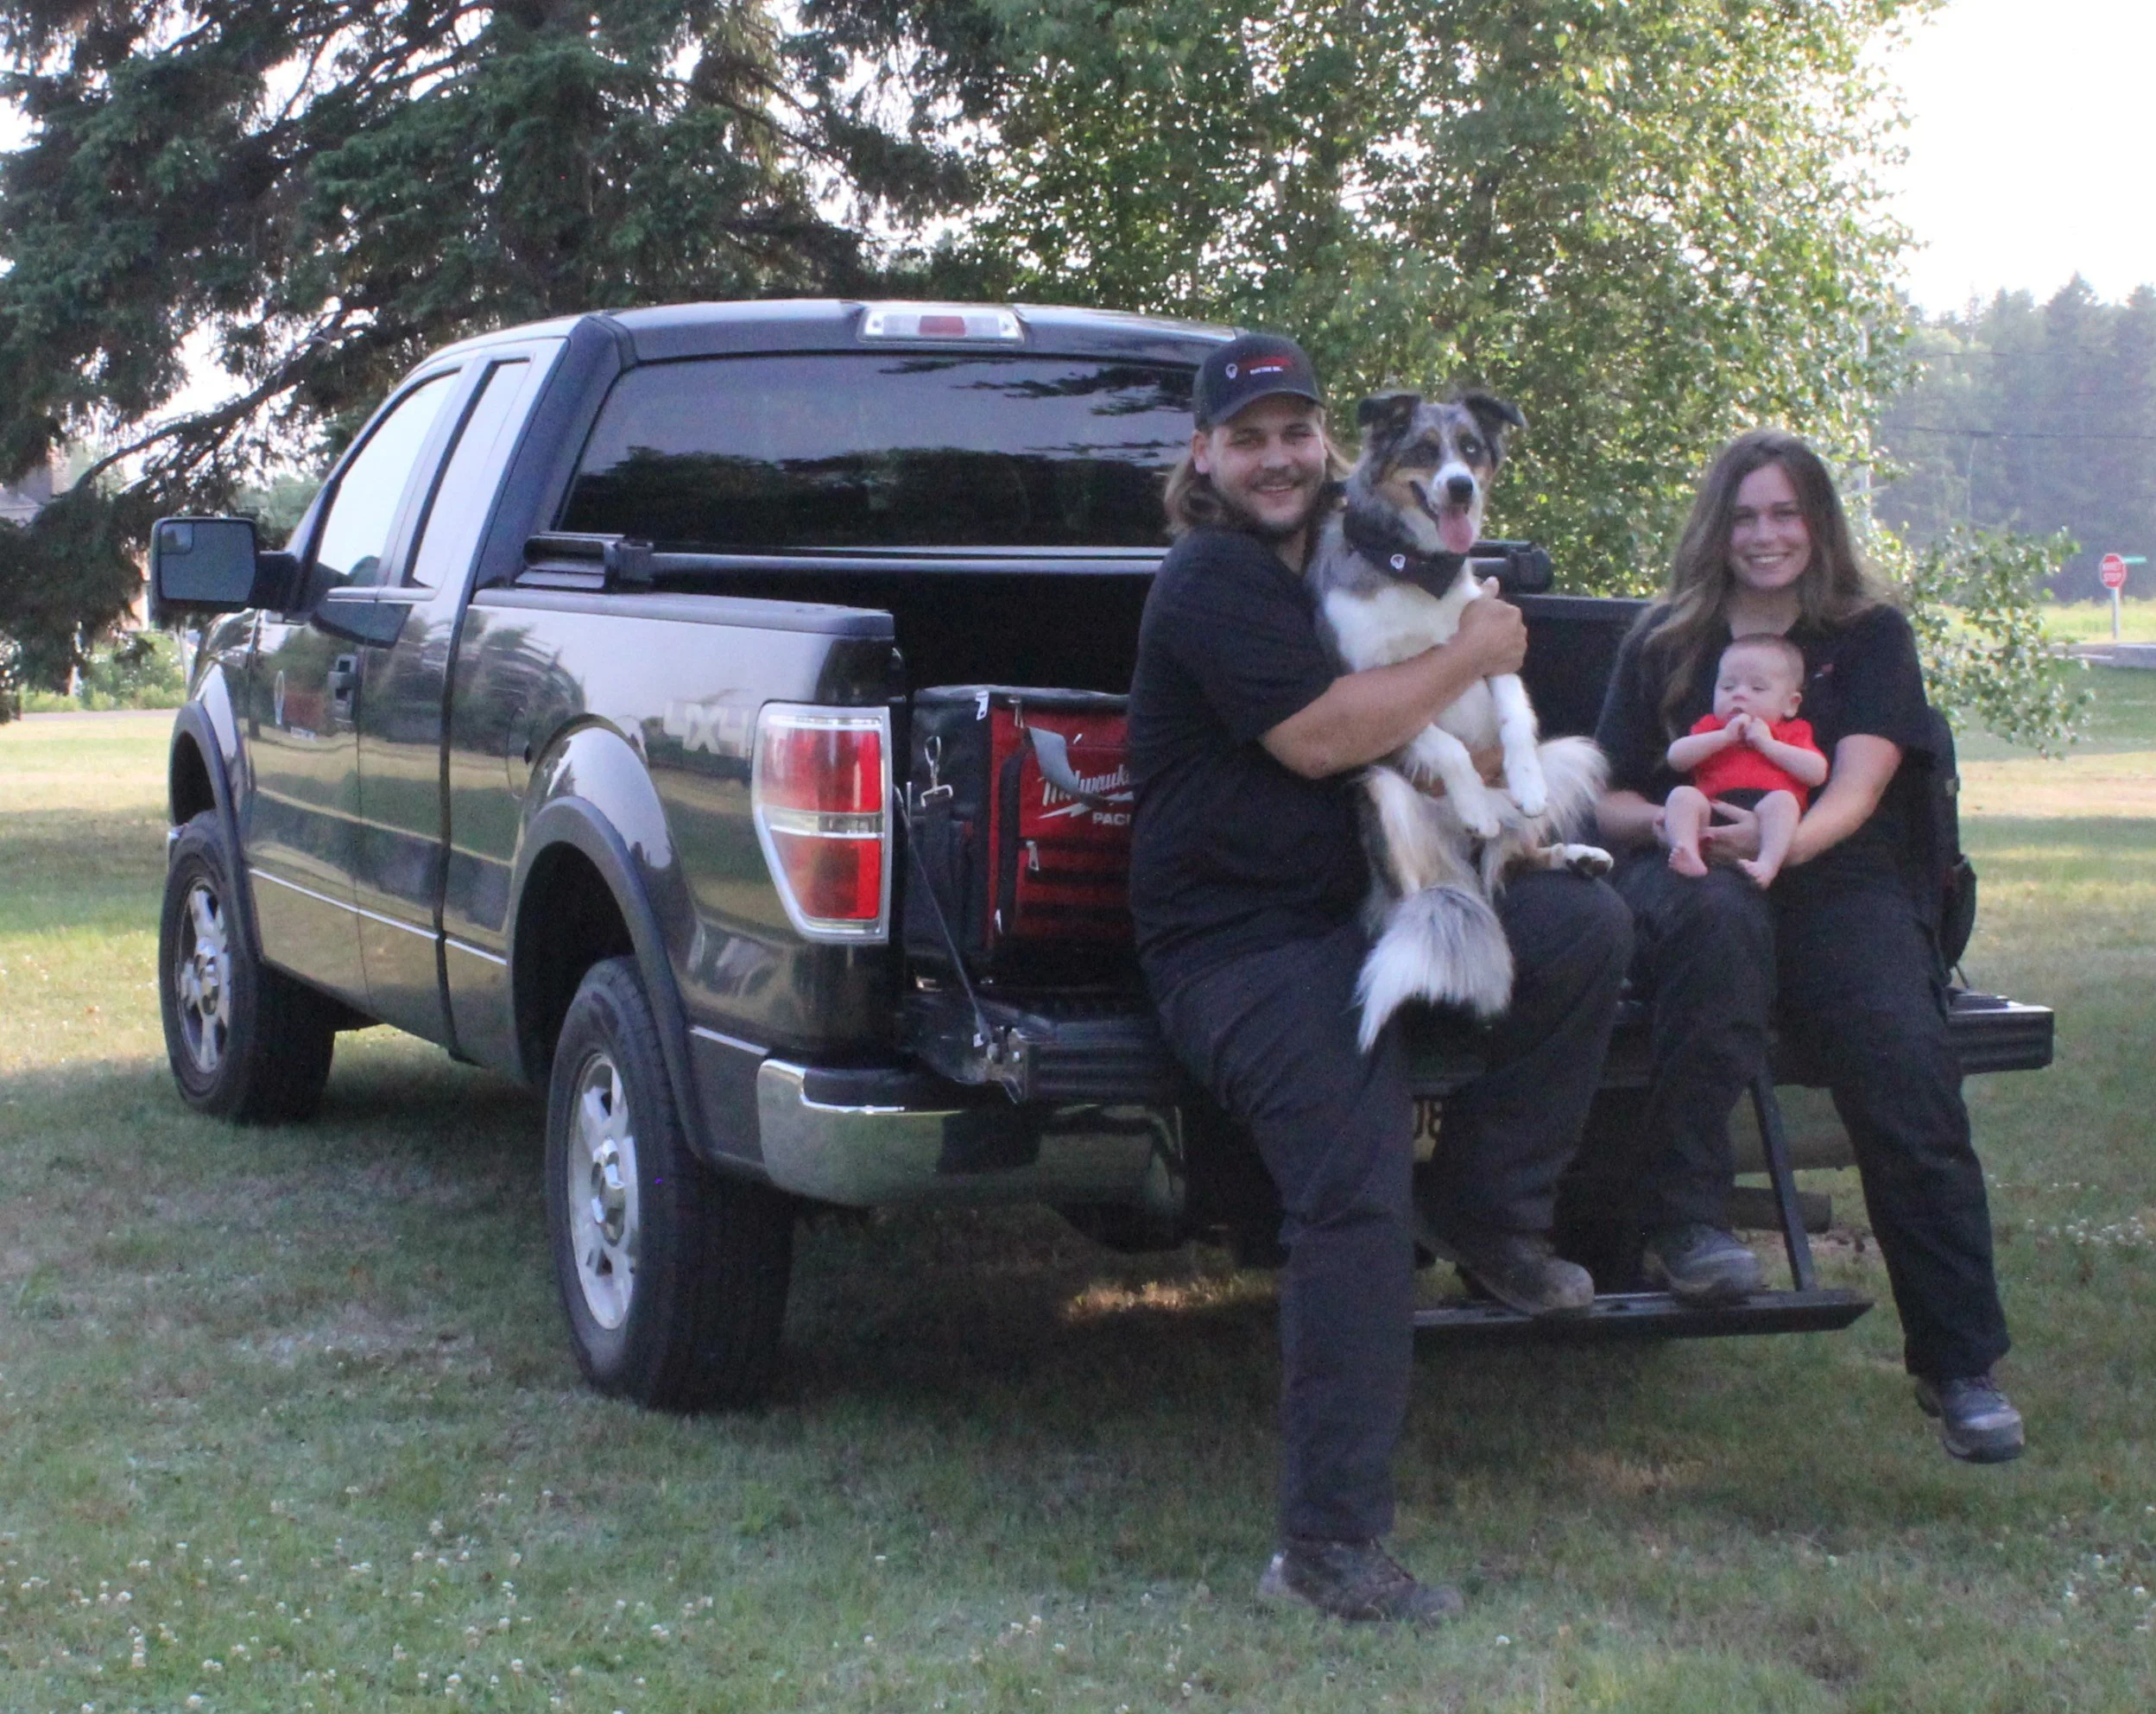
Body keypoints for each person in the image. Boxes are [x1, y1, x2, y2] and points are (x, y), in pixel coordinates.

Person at [1128, 332, 1632, 1623]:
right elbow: (1325, 737)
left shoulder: (1359, 559)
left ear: (1331, 448)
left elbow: (1436, 728)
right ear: (1204, 457)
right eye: (1247, 437)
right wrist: (1481, 646)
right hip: (1245, 941)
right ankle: (1326, 1551)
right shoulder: (1211, 581)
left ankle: (1492, 1213)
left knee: (1584, 934)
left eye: (1295, 431)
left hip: (1379, 890)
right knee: (1354, 1193)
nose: (1277, 455)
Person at [1593, 427, 2025, 1464]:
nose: (1765, 534)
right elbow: (1605, 791)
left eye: (1785, 512)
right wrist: (1679, 828)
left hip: (1840, 872)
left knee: (1902, 1062)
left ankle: (1959, 1363)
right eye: (1745, 514)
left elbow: (1858, 785)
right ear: (1717, 526)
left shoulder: (1868, 636)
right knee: (1715, 924)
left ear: (1818, 522)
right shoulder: (1666, 638)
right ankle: (1690, 1227)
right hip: (1691, 862)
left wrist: (1774, 849)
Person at [1661, 632, 1829, 888]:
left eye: (1757, 688)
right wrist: (1723, 737)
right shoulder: (1712, 727)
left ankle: (1767, 864)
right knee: (1681, 796)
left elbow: (1816, 772)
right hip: (1713, 808)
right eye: (1727, 687)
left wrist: (1768, 745)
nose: (1738, 695)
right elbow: (1676, 758)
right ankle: (1688, 853)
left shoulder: (1792, 731)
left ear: (1791, 704)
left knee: (1784, 803)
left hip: (1765, 812)